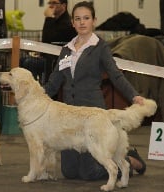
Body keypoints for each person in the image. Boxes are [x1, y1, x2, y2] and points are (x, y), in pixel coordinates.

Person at [45, 1, 146, 180]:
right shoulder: (65, 50)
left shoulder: (101, 47)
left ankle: (129, 161)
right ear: (72, 23)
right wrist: (33, 97)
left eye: (86, 18)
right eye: (78, 19)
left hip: (92, 116)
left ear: (94, 21)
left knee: (89, 173)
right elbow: (54, 81)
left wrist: (134, 95)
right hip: (68, 118)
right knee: (69, 173)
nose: (82, 22)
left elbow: (116, 76)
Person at [20, 0, 76, 84]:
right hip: (50, 58)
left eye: (54, 3)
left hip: (59, 61)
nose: (51, 6)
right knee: (22, 60)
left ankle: (35, 91)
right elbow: (47, 40)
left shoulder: (67, 22)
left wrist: (48, 18)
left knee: (29, 62)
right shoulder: (56, 20)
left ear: (63, 6)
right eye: (50, 3)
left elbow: (48, 39)